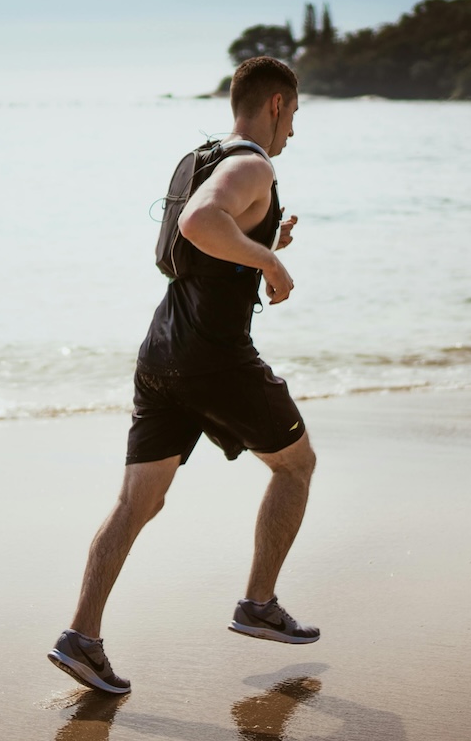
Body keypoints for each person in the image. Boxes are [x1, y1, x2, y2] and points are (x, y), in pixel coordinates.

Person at [47, 56, 319, 694]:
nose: (293, 133)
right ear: (276, 105)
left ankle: (80, 638)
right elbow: (200, 225)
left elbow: (193, 249)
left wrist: (259, 245)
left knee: (138, 502)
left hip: (161, 353)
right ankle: (258, 603)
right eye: (295, 116)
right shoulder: (254, 164)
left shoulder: (203, 158)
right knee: (296, 465)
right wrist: (271, 267)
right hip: (213, 359)